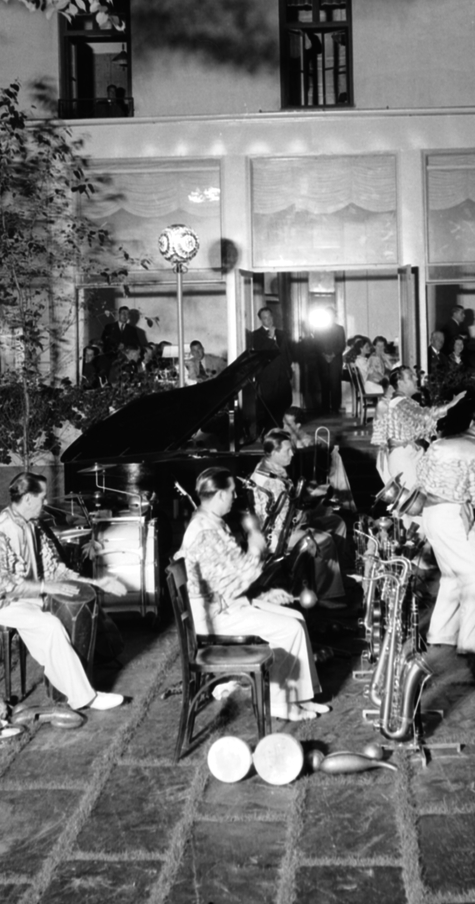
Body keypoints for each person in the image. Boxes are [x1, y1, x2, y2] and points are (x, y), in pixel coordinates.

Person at [0, 472, 127, 712]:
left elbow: (54, 571)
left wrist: (95, 582)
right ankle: (86, 698)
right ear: (28, 498)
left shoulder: (31, 526)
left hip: (28, 599)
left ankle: (68, 687)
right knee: (50, 626)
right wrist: (44, 587)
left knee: (64, 613)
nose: (46, 502)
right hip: (2, 605)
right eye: (42, 497)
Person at [179, 467, 326, 723]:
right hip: (214, 618)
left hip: (227, 604)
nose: (235, 496)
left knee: (297, 619)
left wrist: (263, 597)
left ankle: (299, 696)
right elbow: (242, 575)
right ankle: (279, 703)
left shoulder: (211, 521)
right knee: (289, 629)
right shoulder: (204, 531)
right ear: (220, 495)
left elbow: (226, 580)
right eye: (232, 491)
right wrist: (256, 544)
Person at [416, 405, 475, 658]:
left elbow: (421, 475)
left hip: (430, 513)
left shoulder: (441, 443)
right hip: (453, 515)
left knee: (452, 576)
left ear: (472, 422)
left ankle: (441, 633)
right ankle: (473, 642)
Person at [248, 430, 347, 604]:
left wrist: (311, 498)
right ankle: (326, 595)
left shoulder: (269, 469)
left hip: (284, 526)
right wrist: (311, 509)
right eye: (287, 450)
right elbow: (285, 523)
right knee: (325, 540)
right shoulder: (272, 482)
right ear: (273, 452)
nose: (292, 454)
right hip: (277, 536)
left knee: (336, 522)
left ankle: (336, 578)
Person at [376, 366, 465, 490]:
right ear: (400, 383)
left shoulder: (401, 402)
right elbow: (425, 417)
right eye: (410, 377)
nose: (416, 378)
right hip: (404, 459)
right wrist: (450, 405)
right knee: (415, 498)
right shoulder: (401, 403)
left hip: (405, 457)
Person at [247, 306, 293, 433]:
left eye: (270, 316)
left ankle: (281, 429)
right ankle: (270, 431)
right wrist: (271, 337)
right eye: (265, 318)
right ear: (261, 320)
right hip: (268, 375)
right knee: (270, 405)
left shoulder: (282, 333)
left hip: (282, 373)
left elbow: (287, 353)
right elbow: (261, 352)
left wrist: (288, 368)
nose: (269, 320)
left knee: (285, 401)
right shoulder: (255, 335)